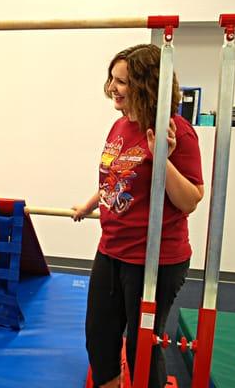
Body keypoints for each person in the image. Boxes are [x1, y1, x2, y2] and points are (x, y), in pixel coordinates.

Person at [72, 44, 204, 388]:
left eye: (123, 82)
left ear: (147, 85)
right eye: (112, 79)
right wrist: (92, 202)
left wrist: (161, 156)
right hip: (111, 249)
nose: (113, 88)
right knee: (99, 338)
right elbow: (118, 177)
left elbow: (190, 200)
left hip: (155, 259)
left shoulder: (178, 132)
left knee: (141, 349)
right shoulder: (119, 126)